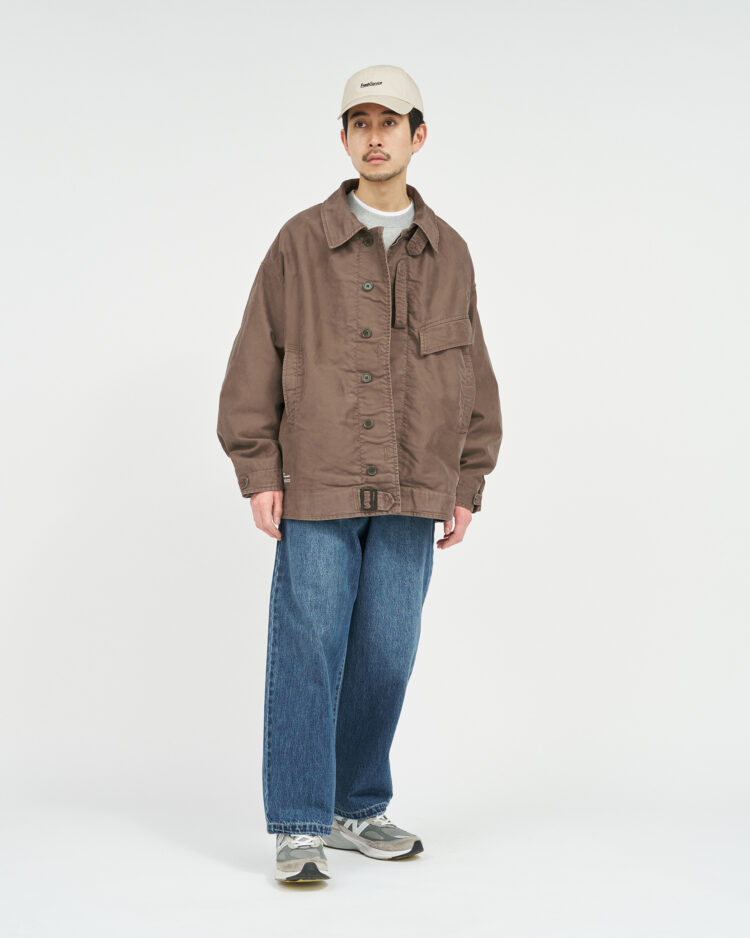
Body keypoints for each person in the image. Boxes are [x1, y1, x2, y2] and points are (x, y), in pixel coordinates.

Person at [216, 64, 503, 884]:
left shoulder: (450, 252)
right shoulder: (300, 242)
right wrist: (259, 469)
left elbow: (473, 374)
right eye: (360, 122)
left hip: (416, 486)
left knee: (386, 652)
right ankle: (300, 821)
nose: (375, 137)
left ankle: (356, 805)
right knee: (309, 647)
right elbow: (255, 357)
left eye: (390, 122)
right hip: (319, 479)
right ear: (344, 138)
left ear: (419, 135)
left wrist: (467, 480)